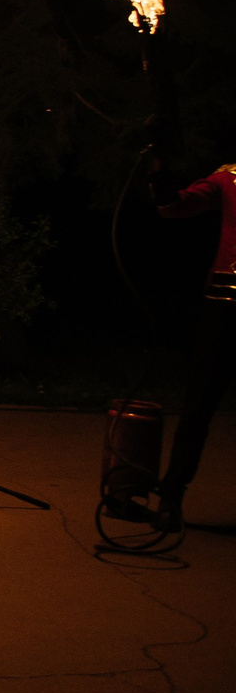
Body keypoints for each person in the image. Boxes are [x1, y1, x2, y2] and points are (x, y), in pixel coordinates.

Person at [151, 155, 234, 527]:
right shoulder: (230, 177)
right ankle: (171, 495)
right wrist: (161, 174)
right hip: (225, 305)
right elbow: (176, 208)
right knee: (198, 404)